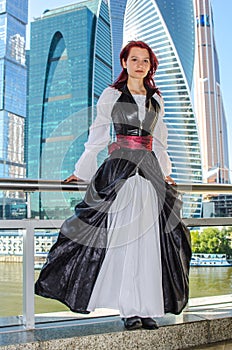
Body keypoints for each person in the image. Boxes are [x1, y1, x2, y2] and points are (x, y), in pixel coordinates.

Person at [35, 41, 192, 331]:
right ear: (124, 62)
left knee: (149, 244)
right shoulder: (111, 94)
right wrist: (81, 171)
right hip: (119, 170)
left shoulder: (157, 99)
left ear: (150, 66)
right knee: (127, 241)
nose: (140, 65)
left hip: (150, 173)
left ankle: (146, 309)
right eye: (135, 59)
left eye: (145, 60)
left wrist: (166, 172)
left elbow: (160, 140)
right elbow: (97, 133)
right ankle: (129, 310)